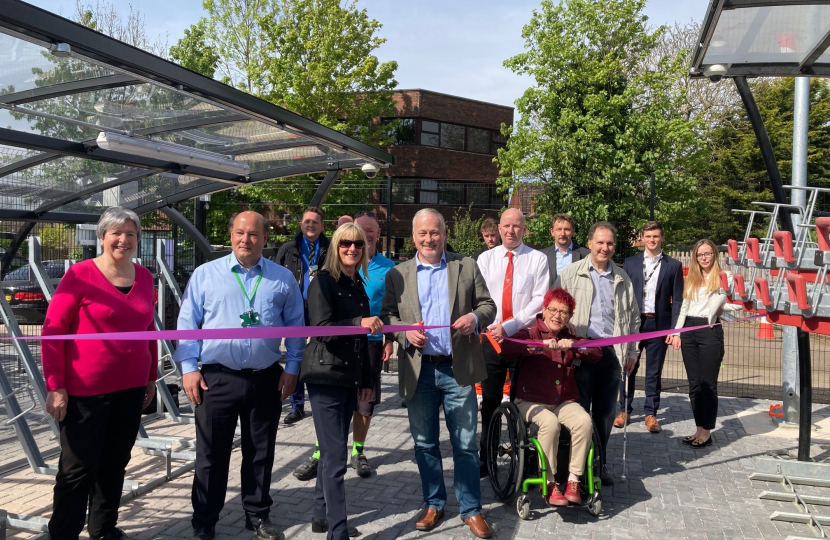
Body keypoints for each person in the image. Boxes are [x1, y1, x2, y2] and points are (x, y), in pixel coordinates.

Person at [175, 211, 305, 540]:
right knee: (210, 455)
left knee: (260, 452)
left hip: (266, 378)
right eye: (239, 233)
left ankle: (257, 515)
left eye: (252, 234)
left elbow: (296, 326)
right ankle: (204, 520)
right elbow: (187, 324)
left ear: (265, 239)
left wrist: (292, 368)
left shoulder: (282, 278)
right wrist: (189, 368)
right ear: (231, 235)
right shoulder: (206, 275)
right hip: (216, 379)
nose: (245, 240)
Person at [42, 207, 157, 540]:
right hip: (84, 392)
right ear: (102, 237)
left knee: (114, 463)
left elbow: (148, 329)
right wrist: (56, 386)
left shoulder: (145, 277)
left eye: (131, 234)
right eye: (116, 233)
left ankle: (103, 529)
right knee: (78, 468)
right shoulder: (79, 275)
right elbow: (53, 332)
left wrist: (151, 376)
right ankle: (63, 533)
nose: (124, 240)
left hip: (132, 388)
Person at [381, 208, 497, 539]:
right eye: (423, 234)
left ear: (445, 235)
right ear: (414, 236)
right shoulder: (398, 274)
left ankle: (471, 509)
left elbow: (488, 306)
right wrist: (404, 333)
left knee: (464, 443)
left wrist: (474, 320)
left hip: (456, 369)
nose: (429, 239)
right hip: (420, 370)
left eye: (435, 233)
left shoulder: (466, 266)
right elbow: (387, 317)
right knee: (424, 443)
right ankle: (434, 503)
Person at [293, 210, 395, 481]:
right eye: (353, 236)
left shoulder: (388, 268)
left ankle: (358, 451)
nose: (358, 242)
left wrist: (390, 338)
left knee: (365, 402)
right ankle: (320, 452)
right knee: (332, 406)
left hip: (370, 344)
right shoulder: (332, 274)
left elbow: (391, 307)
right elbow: (323, 323)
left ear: (375, 234)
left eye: (366, 234)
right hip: (337, 345)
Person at [300, 222, 381, 539]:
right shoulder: (323, 281)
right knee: (335, 458)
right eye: (345, 243)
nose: (352, 248)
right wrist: (359, 322)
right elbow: (322, 327)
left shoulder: (357, 284)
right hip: (325, 376)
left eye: (358, 244)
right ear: (335, 247)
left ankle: (322, 516)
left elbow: (360, 342)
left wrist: (364, 380)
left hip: (349, 377)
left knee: (333, 452)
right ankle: (338, 531)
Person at [554, 221, 639, 485]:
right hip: (580, 352)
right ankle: (573, 470)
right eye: (600, 242)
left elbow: (634, 319)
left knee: (605, 413)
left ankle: (598, 464)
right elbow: (553, 310)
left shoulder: (622, 278)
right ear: (589, 243)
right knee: (578, 412)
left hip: (611, 353)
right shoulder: (570, 274)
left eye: (610, 243)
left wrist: (632, 352)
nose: (605, 248)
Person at [499, 288, 601, 506]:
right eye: (552, 310)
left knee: (584, 421)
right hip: (529, 401)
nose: (557, 316)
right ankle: (550, 480)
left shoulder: (569, 335)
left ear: (570, 316)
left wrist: (576, 346)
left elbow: (597, 352)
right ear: (543, 310)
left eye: (563, 312)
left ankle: (573, 479)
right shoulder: (530, 332)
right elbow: (506, 347)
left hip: (563, 401)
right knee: (549, 423)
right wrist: (536, 348)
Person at [476, 208, 549, 475]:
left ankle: (525, 457)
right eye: (506, 226)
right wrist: (494, 327)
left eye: (516, 226)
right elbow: (480, 295)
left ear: (524, 229)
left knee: (523, 403)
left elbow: (539, 300)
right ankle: (487, 458)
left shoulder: (538, 259)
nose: (510, 231)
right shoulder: (485, 259)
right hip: (491, 341)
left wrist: (510, 326)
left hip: (523, 340)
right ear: (499, 229)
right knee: (490, 402)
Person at [667, 239, 736, 449]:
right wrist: (677, 332)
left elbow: (729, 303)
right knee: (694, 385)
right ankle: (698, 428)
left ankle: (707, 432)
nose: (703, 258)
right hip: (689, 328)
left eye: (707, 254)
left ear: (714, 255)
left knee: (708, 384)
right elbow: (684, 307)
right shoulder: (693, 279)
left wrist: (721, 310)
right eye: (699, 255)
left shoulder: (725, 277)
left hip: (709, 330)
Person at [616, 221, 684, 433]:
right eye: (648, 236)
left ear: (662, 238)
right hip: (634, 323)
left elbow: (678, 300)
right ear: (642, 239)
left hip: (658, 324)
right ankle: (624, 410)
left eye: (656, 236)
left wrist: (674, 330)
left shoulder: (673, 265)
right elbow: (623, 295)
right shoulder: (631, 263)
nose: (652, 240)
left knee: (654, 371)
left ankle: (650, 413)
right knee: (628, 367)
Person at [275, 206, 330, 424]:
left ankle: (321, 401)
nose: (310, 225)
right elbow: (277, 277)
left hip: (320, 309)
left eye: (315, 222)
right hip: (294, 309)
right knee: (295, 354)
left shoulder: (330, 248)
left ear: (322, 226)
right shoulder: (289, 249)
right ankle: (297, 405)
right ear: (301, 224)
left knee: (321, 354)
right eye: (307, 221)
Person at [540, 213, 590, 288]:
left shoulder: (586, 255)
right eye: (559, 229)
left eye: (566, 229)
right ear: (552, 232)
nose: (562, 234)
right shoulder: (542, 255)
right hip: (551, 298)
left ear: (573, 231)